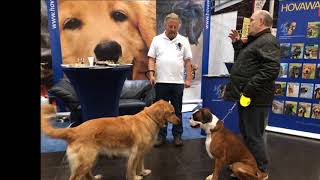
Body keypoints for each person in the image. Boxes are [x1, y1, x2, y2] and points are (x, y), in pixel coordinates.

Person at [223, 10, 280, 178]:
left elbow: (270, 70)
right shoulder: (257, 41)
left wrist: (248, 91)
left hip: (254, 98)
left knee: (253, 136)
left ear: (261, 21)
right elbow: (246, 62)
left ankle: (262, 171)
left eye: (252, 20)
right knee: (247, 133)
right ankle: (249, 166)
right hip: (247, 97)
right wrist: (237, 44)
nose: (249, 23)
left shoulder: (268, 41)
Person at [147, 13, 192, 147]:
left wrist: (188, 79)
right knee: (161, 112)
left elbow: (188, 61)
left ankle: (177, 136)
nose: (173, 29)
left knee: (177, 110)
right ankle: (161, 136)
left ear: (178, 26)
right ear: (165, 25)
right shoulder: (157, 39)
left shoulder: (183, 40)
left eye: (175, 26)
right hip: (161, 82)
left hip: (178, 83)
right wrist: (151, 74)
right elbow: (151, 58)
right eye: (170, 26)